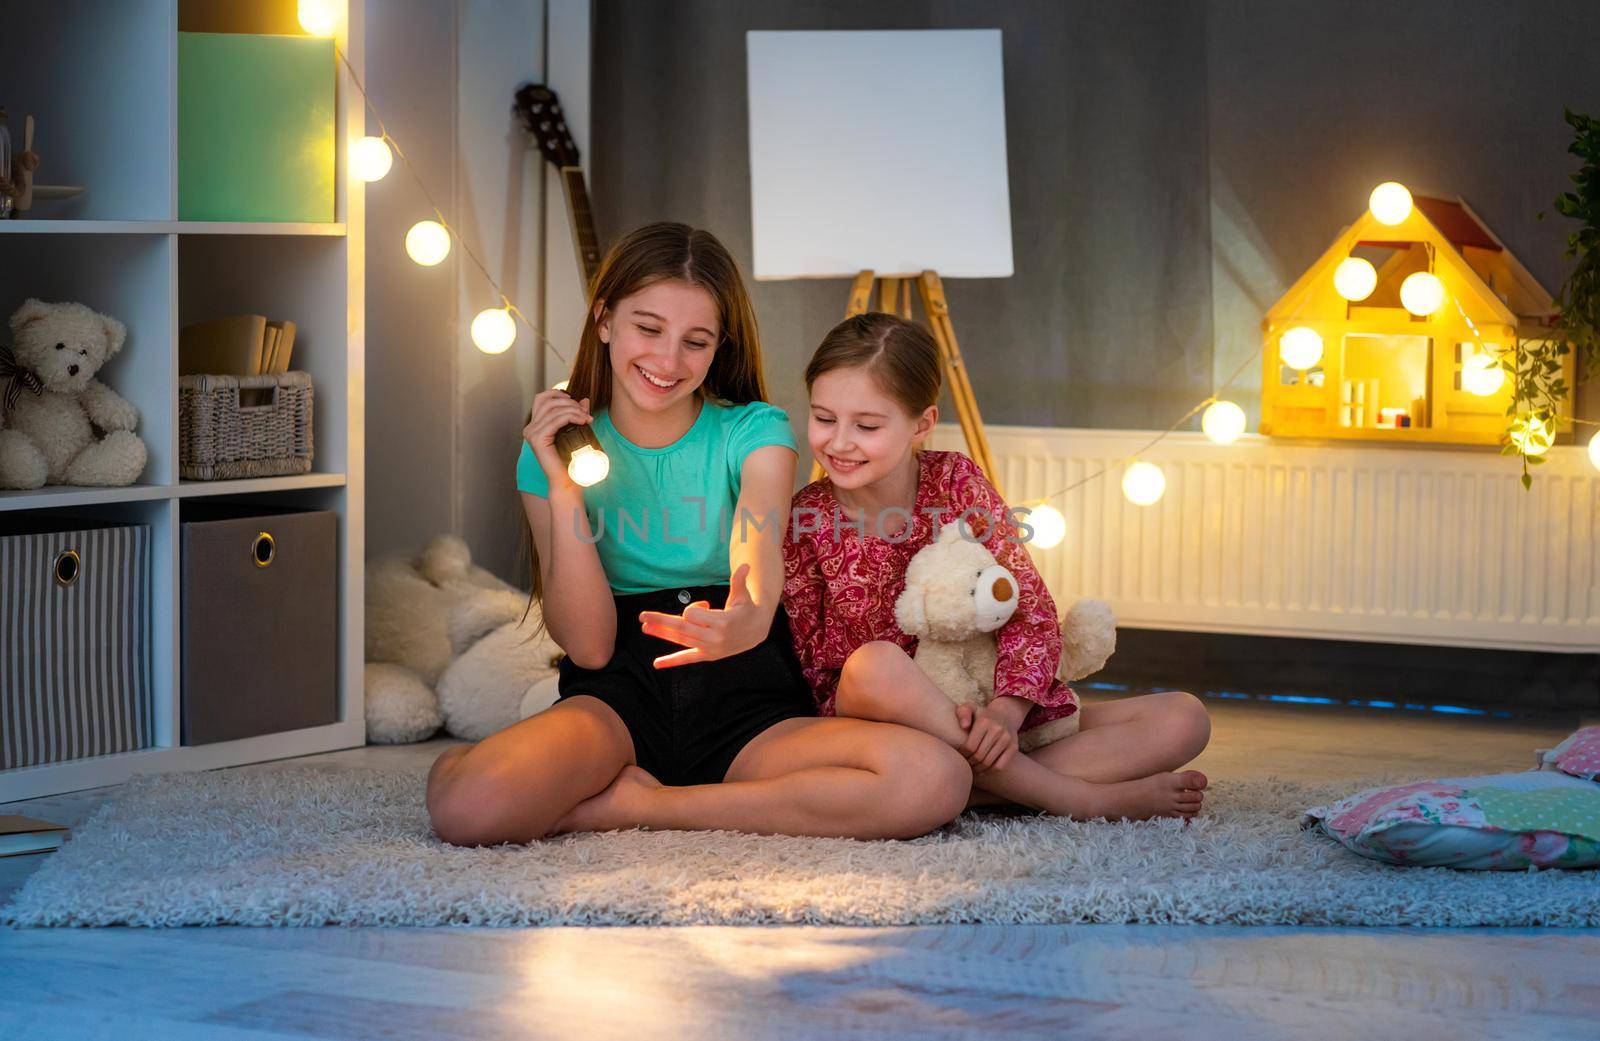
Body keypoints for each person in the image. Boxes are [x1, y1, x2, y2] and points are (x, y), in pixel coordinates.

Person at [425, 225, 971, 845]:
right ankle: (500, 766)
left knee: (934, 779)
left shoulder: (756, 431)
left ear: (718, 349)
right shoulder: (552, 455)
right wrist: (564, 487)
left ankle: (646, 806)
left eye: (696, 341)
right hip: (618, 696)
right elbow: (591, 648)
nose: (667, 361)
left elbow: (756, 546)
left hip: (747, 696)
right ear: (604, 320)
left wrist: (749, 613)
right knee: (466, 811)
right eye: (648, 328)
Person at [784, 312, 1211, 820]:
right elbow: (812, 667)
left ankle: (976, 790)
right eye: (824, 418)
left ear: (922, 424)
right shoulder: (806, 517)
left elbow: (1024, 602)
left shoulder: (955, 481)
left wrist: (1007, 711)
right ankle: (1074, 797)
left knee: (1185, 717)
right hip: (890, 723)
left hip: (985, 704)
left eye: (867, 425)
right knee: (873, 665)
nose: (839, 442)